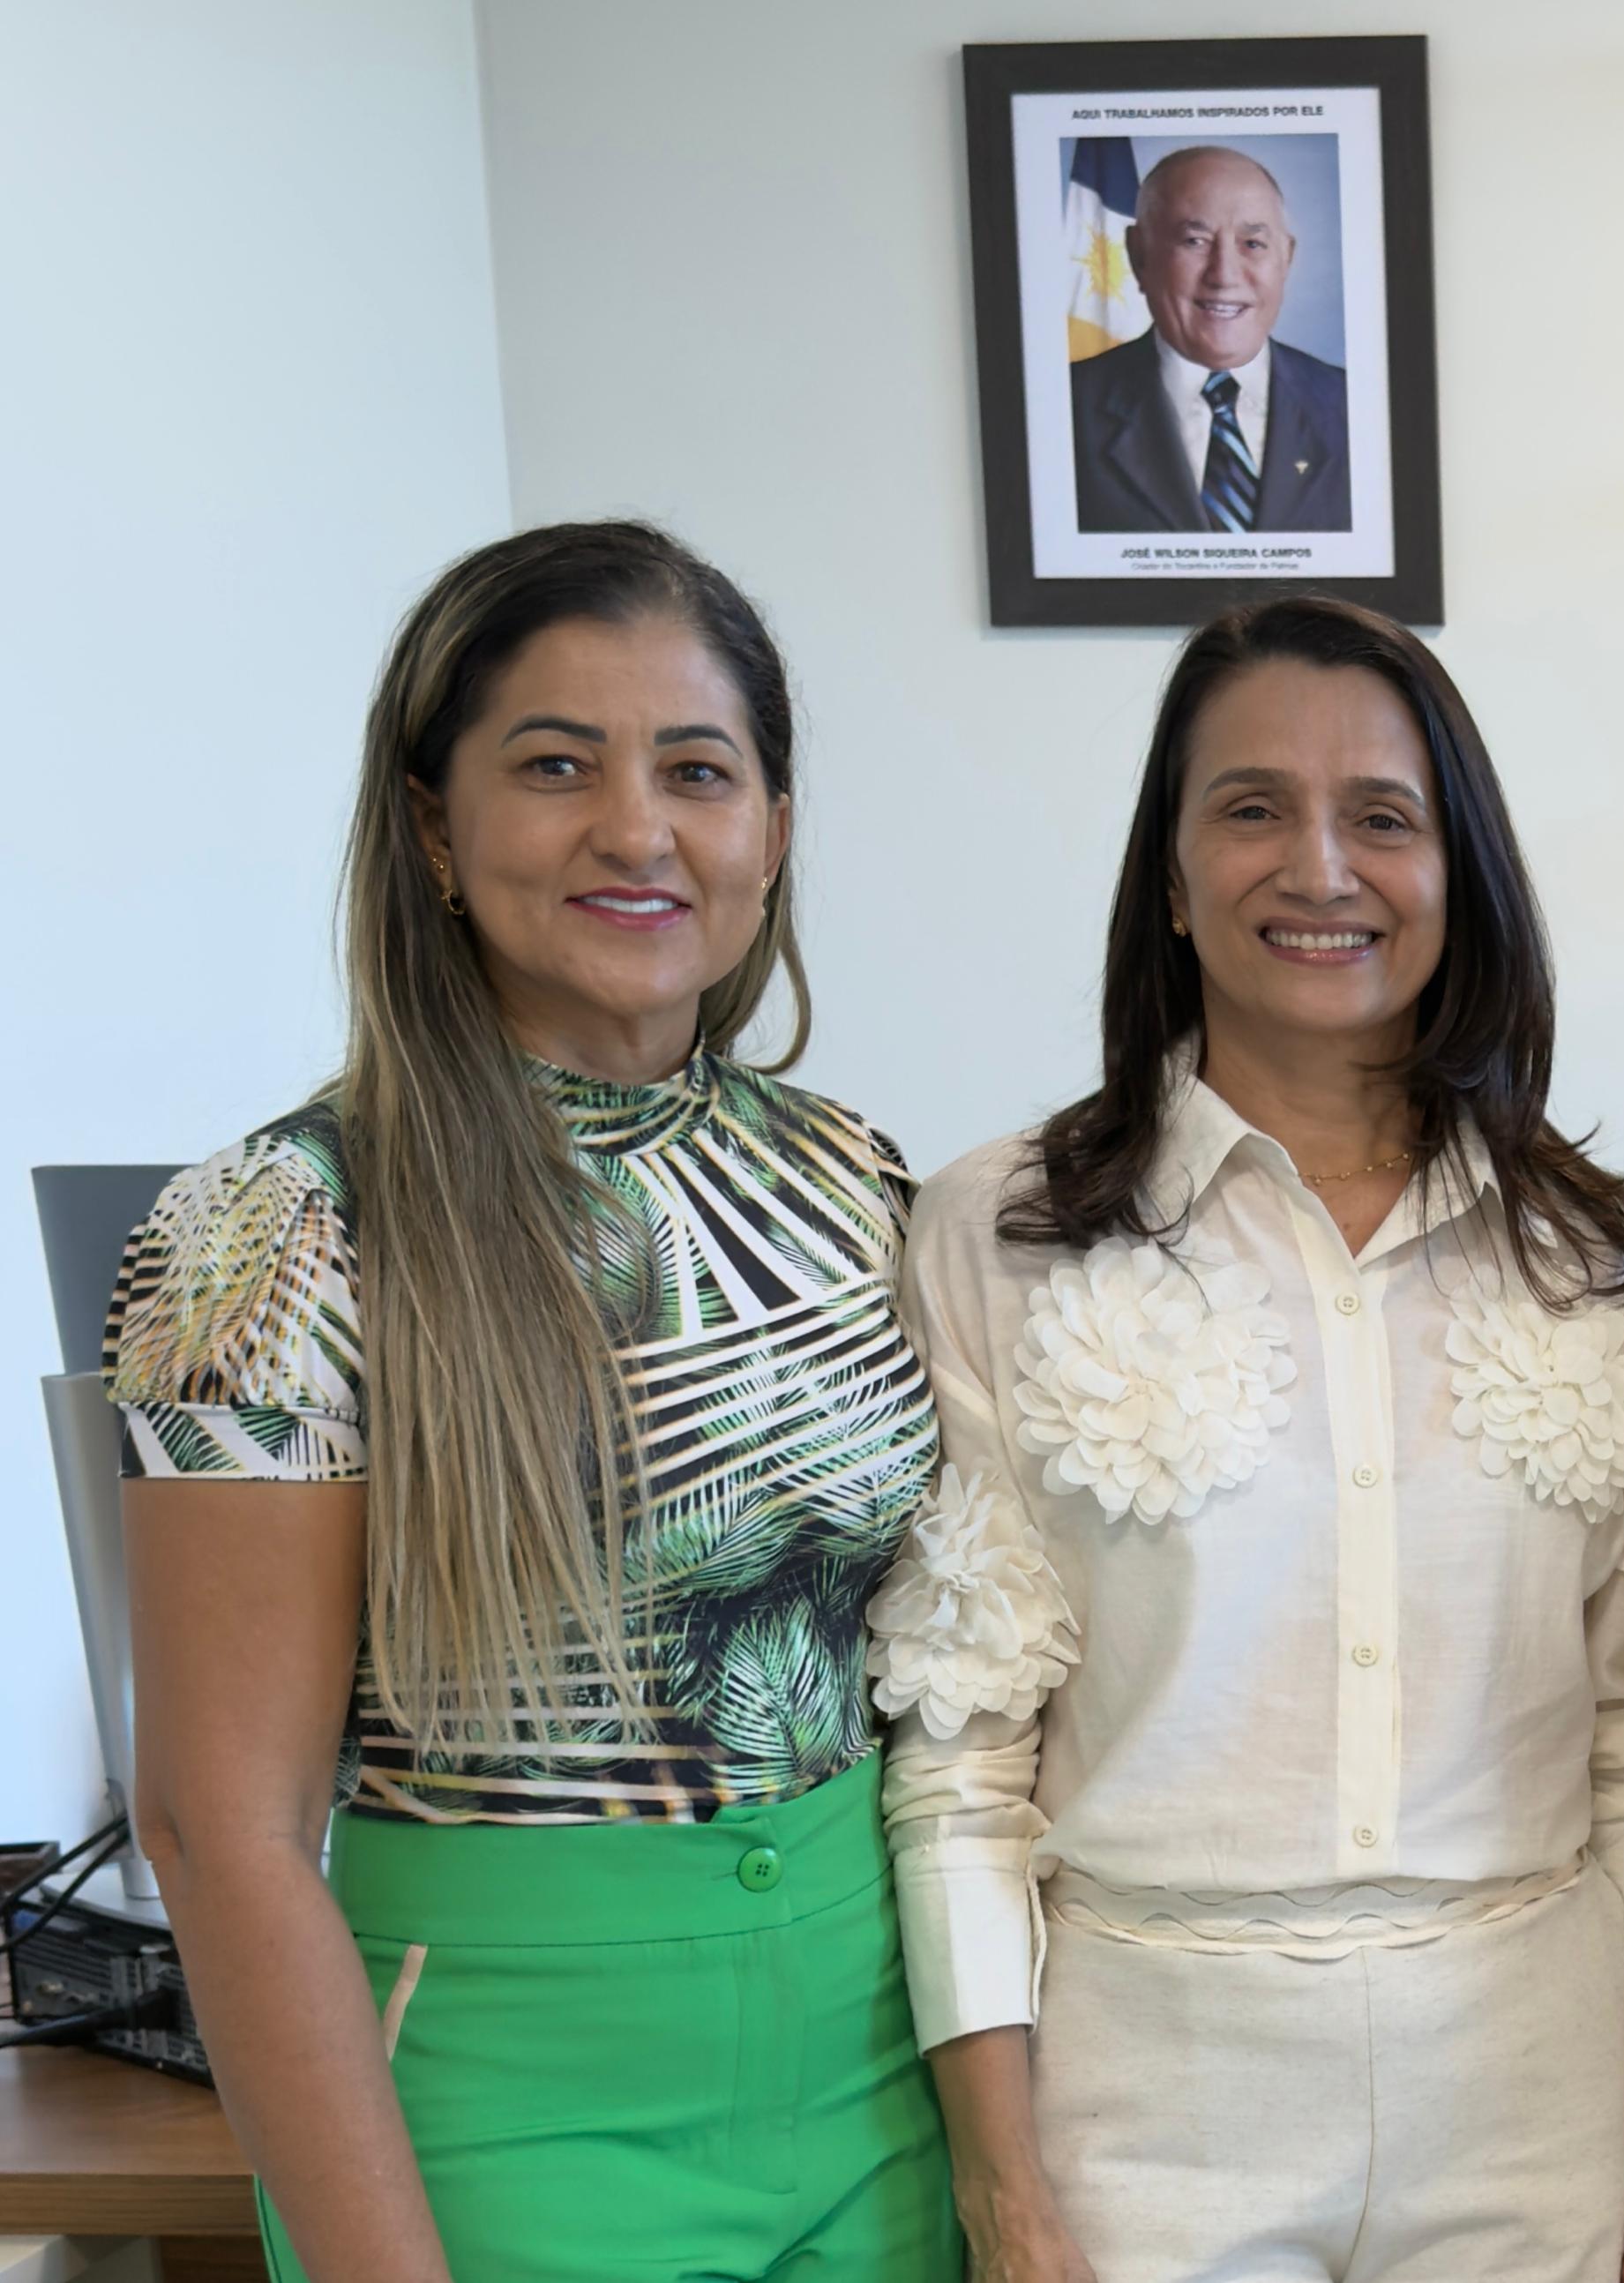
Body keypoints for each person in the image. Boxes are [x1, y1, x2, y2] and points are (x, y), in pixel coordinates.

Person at [867, 596, 1624, 2283]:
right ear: (1171, 871)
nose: (1321, 867)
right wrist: (1006, 2189)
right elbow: (963, 1762)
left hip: (1538, 2085)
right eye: (1254, 806)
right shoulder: (998, 1230)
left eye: (1383, 815)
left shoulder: (1589, 1258)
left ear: (1459, 870)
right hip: (1145, 2094)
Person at [111, 522, 958, 2282]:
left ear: (773, 833)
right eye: (554, 765)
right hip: (504, 2113)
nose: (636, 829)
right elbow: (218, 1825)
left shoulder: (861, 1180)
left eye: (698, 771)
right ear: (432, 823)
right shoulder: (271, 1226)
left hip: (881, 2083)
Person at [1069, 143, 1353, 535]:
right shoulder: (1065, 409)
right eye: (1194, 242)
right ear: (1138, 255)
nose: (1224, 275)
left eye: (1252, 244)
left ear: (1286, 257)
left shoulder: (1355, 408)